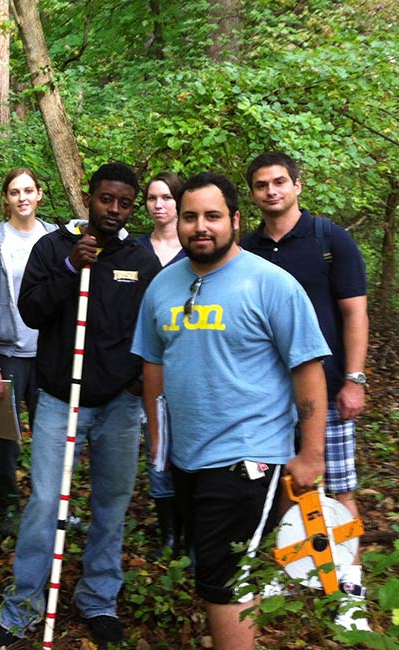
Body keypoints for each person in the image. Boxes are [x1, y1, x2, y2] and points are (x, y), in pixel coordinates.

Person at [132, 172, 329, 649]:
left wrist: (311, 453)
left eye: (213, 216)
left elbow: (307, 369)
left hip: (248, 454)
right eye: (191, 217)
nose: (201, 226)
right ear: (177, 222)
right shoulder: (162, 286)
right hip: (187, 457)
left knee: (224, 580)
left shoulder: (271, 284)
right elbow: (154, 362)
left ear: (236, 221)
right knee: (217, 570)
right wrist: (158, 440)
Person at [0, 162, 162, 649]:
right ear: (89, 196)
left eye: (125, 203)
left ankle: (99, 598)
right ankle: (23, 603)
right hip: (62, 399)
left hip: (119, 407)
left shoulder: (139, 258)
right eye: (107, 199)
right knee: (44, 501)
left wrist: (133, 387)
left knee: (112, 502)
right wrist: (69, 269)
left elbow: (152, 329)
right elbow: (31, 310)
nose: (114, 210)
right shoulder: (53, 247)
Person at [240, 152, 370, 628]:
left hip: (329, 387)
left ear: (297, 185)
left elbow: (354, 312)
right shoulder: (248, 248)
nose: (271, 191)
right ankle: (287, 570)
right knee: (281, 484)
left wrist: (354, 380)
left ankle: (348, 590)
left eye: (279, 182)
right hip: (268, 394)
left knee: (340, 487)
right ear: (252, 194)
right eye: (261, 185)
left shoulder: (329, 239)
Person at [0, 168, 57, 538]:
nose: (22, 197)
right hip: (5, 356)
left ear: (39, 194)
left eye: (28, 190)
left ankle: (48, 507)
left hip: (49, 355)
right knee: (3, 437)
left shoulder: (54, 237)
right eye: (14, 192)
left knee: (50, 435)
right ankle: (9, 506)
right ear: (5, 198)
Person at [135, 171, 185, 556]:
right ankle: (168, 532)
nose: (159, 205)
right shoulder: (135, 250)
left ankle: (195, 530)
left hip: (190, 364)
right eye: (153, 198)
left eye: (167, 197)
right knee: (158, 446)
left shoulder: (198, 246)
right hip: (149, 366)